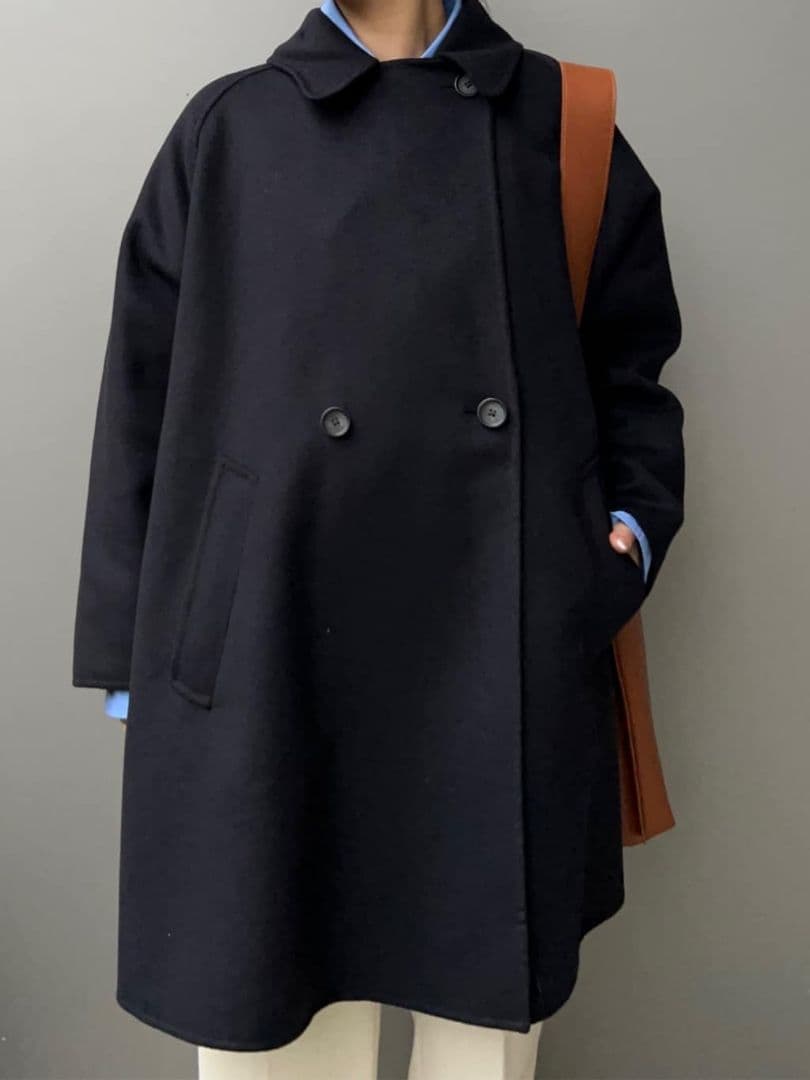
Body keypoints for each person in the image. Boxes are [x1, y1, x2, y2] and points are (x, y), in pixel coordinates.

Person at [71, 0, 684, 1076]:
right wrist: (144, 651)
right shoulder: (228, 129)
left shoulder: (563, 119)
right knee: (277, 1017)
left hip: (500, 648)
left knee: (477, 1043)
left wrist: (615, 541)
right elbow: (140, 397)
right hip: (269, 653)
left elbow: (631, 370)